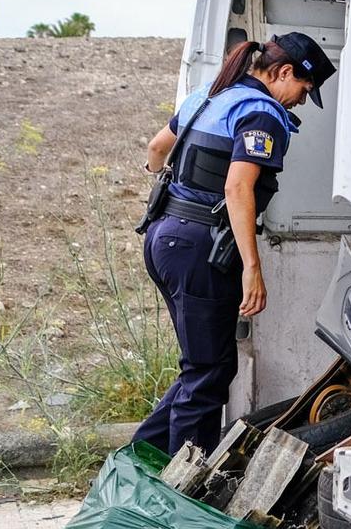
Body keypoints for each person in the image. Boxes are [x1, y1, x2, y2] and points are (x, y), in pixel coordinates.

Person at [132, 32, 336, 455]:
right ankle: (183, 494)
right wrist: (252, 268)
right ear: (282, 72)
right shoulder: (261, 114)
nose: (300, 101)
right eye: (304, 88)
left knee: (204, 368)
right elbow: (238, 188)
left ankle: (141, 460)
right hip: (197, 250)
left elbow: (156, 150)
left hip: (162, 237)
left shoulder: (207, 96)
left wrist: (178, 198)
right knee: (207, 372)